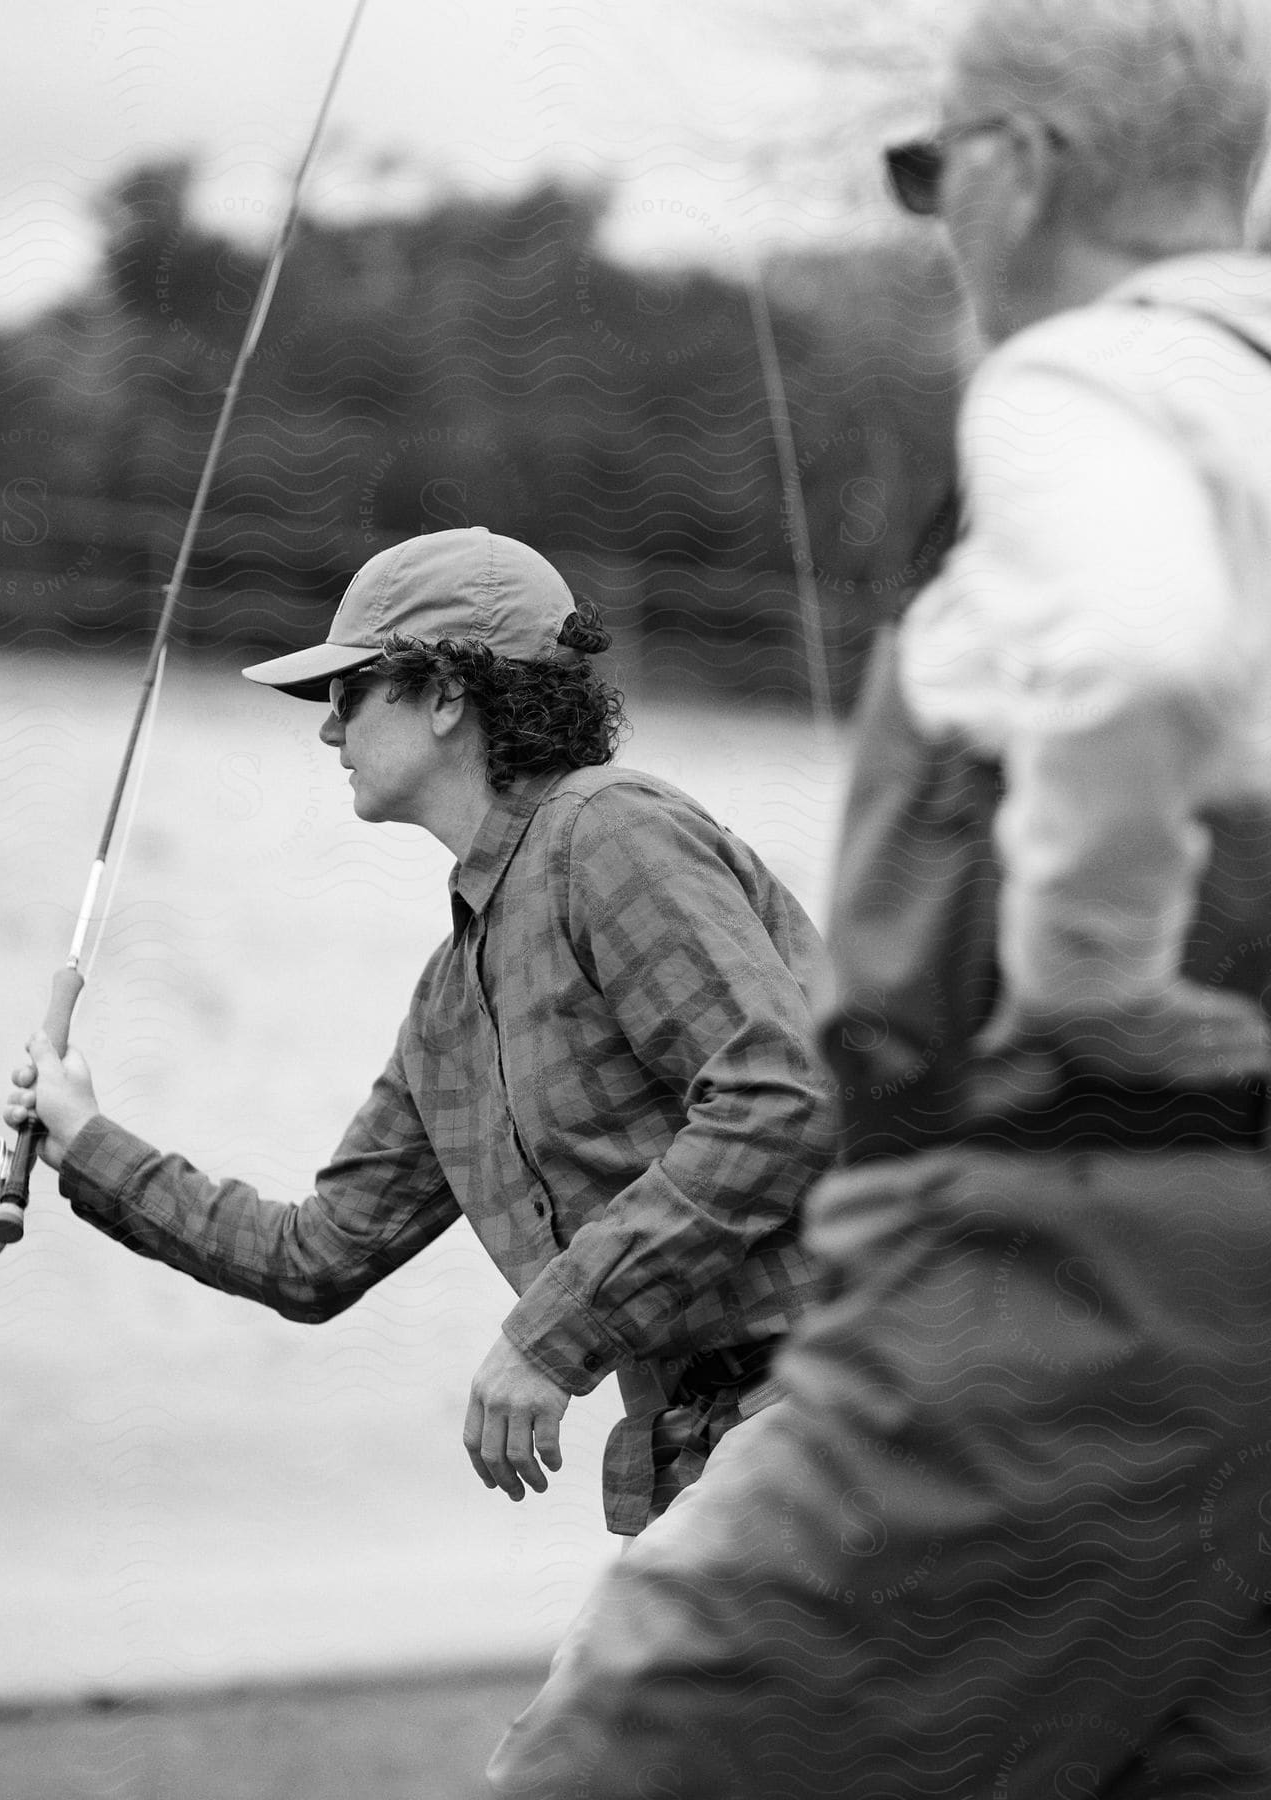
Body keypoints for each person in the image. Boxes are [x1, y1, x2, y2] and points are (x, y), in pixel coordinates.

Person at [483, 2, 1271, 1794]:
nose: (934, 221)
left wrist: (1085, 976)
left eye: (925, 169)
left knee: (599, 1767)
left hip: (1062, 1259)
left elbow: (1135, 658)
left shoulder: (1089, 380)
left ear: (1019, 167)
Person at [5, 525, 834, 1539]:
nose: (326, 731)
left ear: (447, 693)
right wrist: (84, 1140)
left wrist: (550, 1338)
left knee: (599, 1706)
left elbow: (778, 1097)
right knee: (596, 1706)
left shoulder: (608, 828)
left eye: (347, 692)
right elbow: (311, 1260)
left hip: (850, 1397)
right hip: (720, 1446)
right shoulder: (453, 1001)